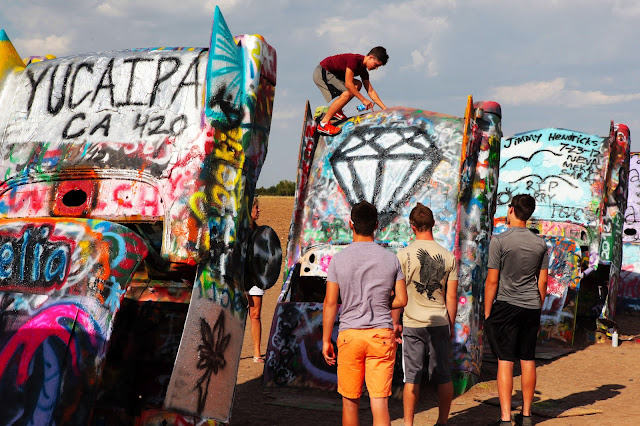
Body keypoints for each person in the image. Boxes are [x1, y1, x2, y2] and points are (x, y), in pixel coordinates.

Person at [322, 201, 407, 426]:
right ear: (376, 225)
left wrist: (325, 340)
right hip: (381, 335)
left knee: (350, 402)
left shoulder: (338, 260)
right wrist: (381, 301)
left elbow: (330, 303)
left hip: (350, 335)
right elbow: (402, 299)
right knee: (379, 403)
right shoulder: (391, 259)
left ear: (351, 225)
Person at [484, 194, 549, 426]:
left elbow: (492, 281)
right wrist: (536, 304)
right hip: (531, 306)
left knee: (505, 360)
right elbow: (542, 283)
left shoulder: (499, 241)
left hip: (506, 304)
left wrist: (487, 311)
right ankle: (527, 415)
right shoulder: (540, 243)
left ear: (511, 210)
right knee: (528, 358)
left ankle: (505, 418)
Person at [393, 203, 458, 426]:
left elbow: (397, 295)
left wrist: (395, 323)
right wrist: (451, 324)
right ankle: (442, 421)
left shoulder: (402, 255)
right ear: (433, 225)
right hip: (439, 321)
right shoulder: (448, 257)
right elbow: (451, 297)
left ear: (412, 227)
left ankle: (408, 423)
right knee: (443, 375)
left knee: (411, 377)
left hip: (412, 322)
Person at [313, 47, 389, 136]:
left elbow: (370, 91)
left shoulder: (363, 71)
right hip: (323, 71)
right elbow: (348, 84)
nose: (376, 68)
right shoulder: (354, 60)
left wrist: (385, 109)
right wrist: (364, 100)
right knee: (347, 93)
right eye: (376, 65)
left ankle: (337, 111)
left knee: (357, 84)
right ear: (371, 57)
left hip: (334, 75)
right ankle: (323, 124)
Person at [247, 197, 265, 363]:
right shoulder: (239, 231)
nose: (259, 211)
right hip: (239, 277)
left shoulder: (260, 232)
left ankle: (257, 353)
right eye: (256, 208)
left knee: (255, 314)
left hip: (256, 277)